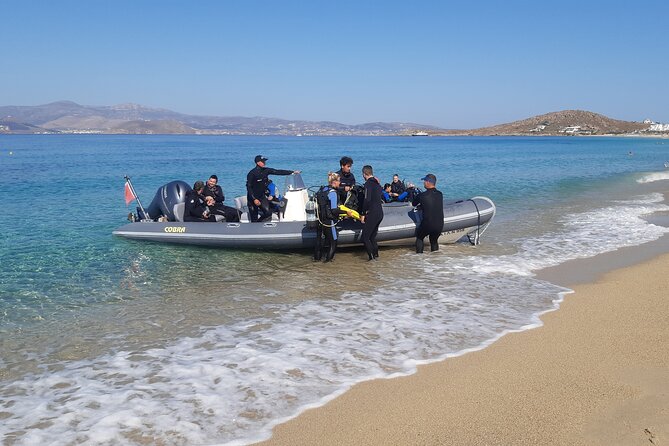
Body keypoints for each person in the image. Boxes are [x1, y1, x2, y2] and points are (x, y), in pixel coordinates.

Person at [246, 155, 299, 222]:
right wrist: (254, 199)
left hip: (261, 197)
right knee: (254, 218)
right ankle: (255, 226)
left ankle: (259, 224)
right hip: (252, 199)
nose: (264, 163)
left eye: (264, 161)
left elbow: (277, 171)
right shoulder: (252, 173)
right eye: (262, 161)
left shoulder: (266, 171)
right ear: (257, 163)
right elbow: (249, 187)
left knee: (268, 213)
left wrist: (292, 172)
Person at [314, 172, 351, 262]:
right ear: (334, 182)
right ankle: (328, 263)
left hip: (319, 221)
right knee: (333, 242)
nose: (340, 183)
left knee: (319, 243)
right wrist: (346, 212)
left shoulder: (322, 190)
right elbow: (334, 210)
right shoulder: (333, 193)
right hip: (329, 222)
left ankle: (316, 262)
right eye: (339, 181)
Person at [412, 173, 444, 253]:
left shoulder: (422, 196)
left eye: (424, 181)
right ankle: (435, 259)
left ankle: (419, 257)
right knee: (433, 241)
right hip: (439, 224)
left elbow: (414, 203)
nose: (423, 183)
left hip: (428, 224)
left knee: (419, 237)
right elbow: (432, 204)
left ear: (428, 182)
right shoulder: (440, 194)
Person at [360, 165, 384, 261]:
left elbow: (367, 200)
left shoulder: (368, 184)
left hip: (373, 213)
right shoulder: (377, 184)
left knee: (365, 237)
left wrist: (363, 214)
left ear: (364, 174)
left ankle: (371, 259)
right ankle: (376, 257)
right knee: (372, 237)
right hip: (380, 213)